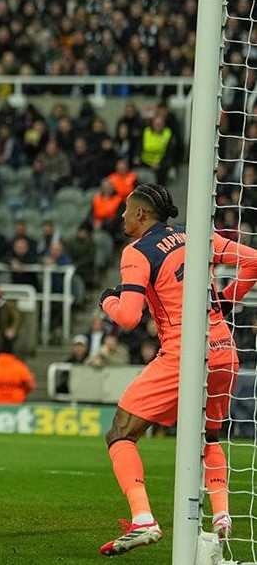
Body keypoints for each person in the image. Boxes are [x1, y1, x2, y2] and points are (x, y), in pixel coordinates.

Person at [95, 183, 257, 556]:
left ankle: (143, 520)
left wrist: (108, 300)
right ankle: (222, 519)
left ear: (140, 214)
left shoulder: (137, 252)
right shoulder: (196, 234)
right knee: (209, 437)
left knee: (120, 432)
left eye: (125, 210)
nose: (121, 216)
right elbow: (251, 261)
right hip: (224, 350)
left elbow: (130, 318)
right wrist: (225, 304)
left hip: (184, 355)